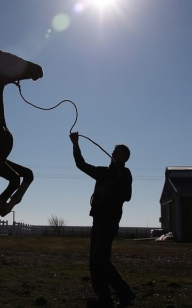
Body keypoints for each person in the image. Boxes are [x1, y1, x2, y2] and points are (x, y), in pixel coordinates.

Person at [69, 132, 136, 308]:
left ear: (124, 156)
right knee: (95, 260)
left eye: (117, 151)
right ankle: (104, 298)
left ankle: (124, 292)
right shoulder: (104, 172)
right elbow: (81, 164)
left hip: (110, 221)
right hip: (98, 220)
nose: (113, 152)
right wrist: (75, 144)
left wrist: (107, 191)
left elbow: (127, 196)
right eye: (113, 150)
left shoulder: (124, 174)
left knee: (100, 258)